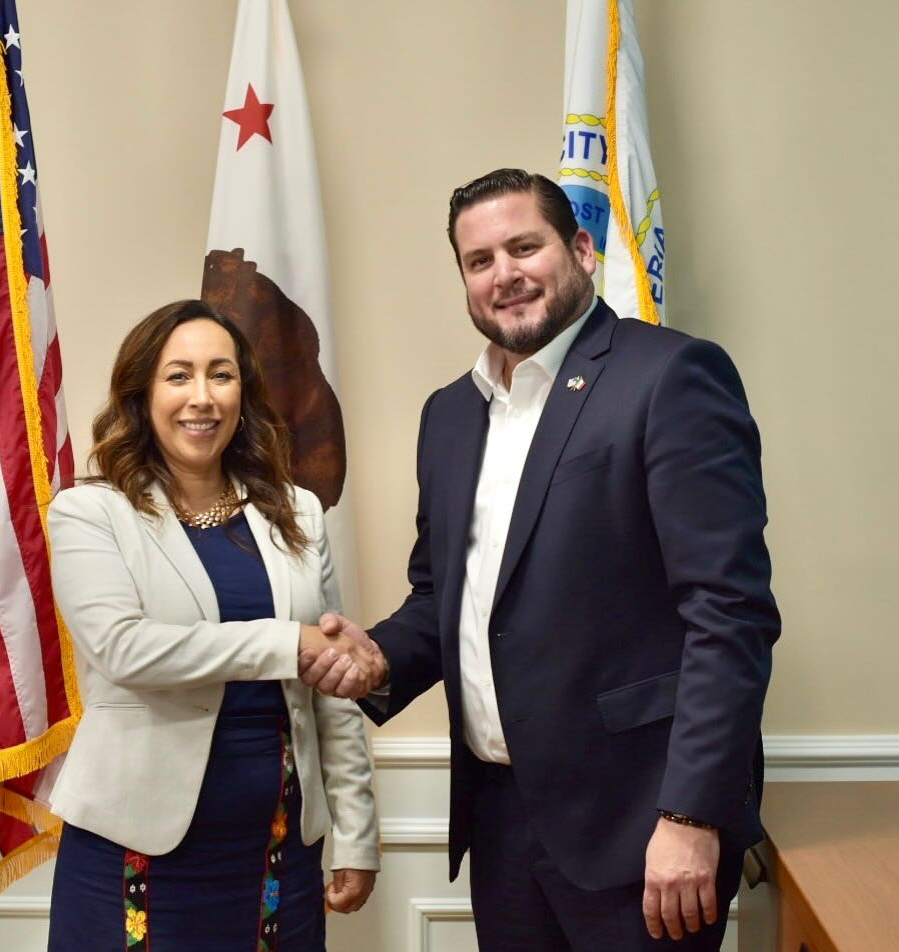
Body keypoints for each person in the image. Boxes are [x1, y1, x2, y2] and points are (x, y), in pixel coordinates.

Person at [300, 169, 779, 950]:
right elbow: (442, 596)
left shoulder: (668, 377)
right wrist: (377, 657)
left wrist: (691, 815)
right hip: (500, 820)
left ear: (581, 250)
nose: (504, 274)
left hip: (639, 826)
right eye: (479, 260)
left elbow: (729, 615)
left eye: (524, 246)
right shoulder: (449, 414)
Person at [46, 299, 380, 951]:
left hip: (277, 850)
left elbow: (330, 688)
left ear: (243, 393)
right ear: (141, 394)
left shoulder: (299, 513)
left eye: (220, 375)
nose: (201, 397)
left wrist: (357, 833)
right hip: (135, 848)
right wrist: (287, 643)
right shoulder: (90, 513)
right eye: (178, 376)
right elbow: (125, 648)